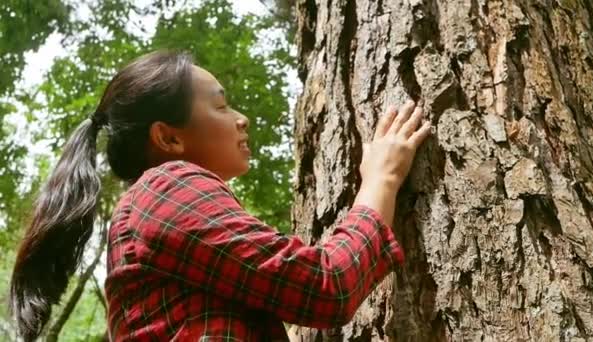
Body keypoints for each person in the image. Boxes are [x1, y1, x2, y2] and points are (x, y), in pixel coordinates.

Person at [9, 50, 431, 341]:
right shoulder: (166, 187)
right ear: (169, 138)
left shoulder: (155, 210)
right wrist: (381, 179)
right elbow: (326, 285)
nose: (242, 119)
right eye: (222, 106)